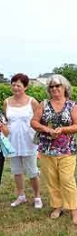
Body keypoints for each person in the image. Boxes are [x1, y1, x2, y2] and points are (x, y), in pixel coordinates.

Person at [31, 74, 77, 225]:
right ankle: (57, 206)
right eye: (51, 86)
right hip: (47, 150)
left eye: (57, 86)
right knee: (52, 180)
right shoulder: (44, 104)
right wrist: (46, 129)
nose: (54, 89)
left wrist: (63, 130)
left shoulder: (72, 106)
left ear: (64, 87)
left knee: (67, 180)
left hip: (67, 150)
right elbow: (34, 122)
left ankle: (73, 210)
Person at [4, 73, 43, 209]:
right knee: (16, 171)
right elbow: (6, 122)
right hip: (12, 142)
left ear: (25, 87)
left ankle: (37, 196)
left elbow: (40, 120)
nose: (15, 87)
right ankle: (21, 196)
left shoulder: (32, 102)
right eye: (13, 84)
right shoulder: (7, 102)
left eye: (19, 85)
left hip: (29, 141)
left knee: (32, 171)